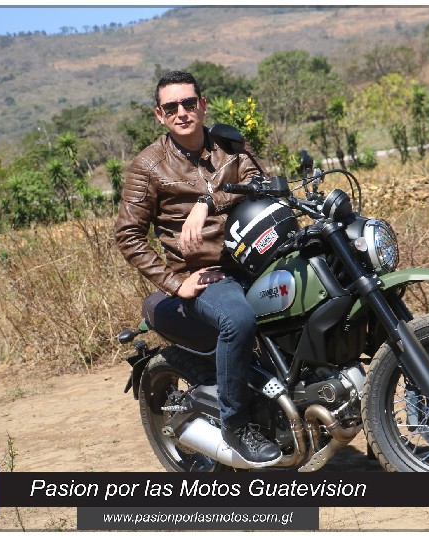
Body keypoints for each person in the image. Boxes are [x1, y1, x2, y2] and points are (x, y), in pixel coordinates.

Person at [114, 71, 282, 467]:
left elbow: (259, 184)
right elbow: (127, 234)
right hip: (208, 274)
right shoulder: (149, 165)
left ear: (202, 105)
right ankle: (236, 426)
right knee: (237, 319)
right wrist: (175, 283)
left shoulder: (230, 144)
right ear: (160, 115)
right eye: (171, 107)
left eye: (189, 103)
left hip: (256, 254)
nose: (182, 112)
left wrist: (208, 202)